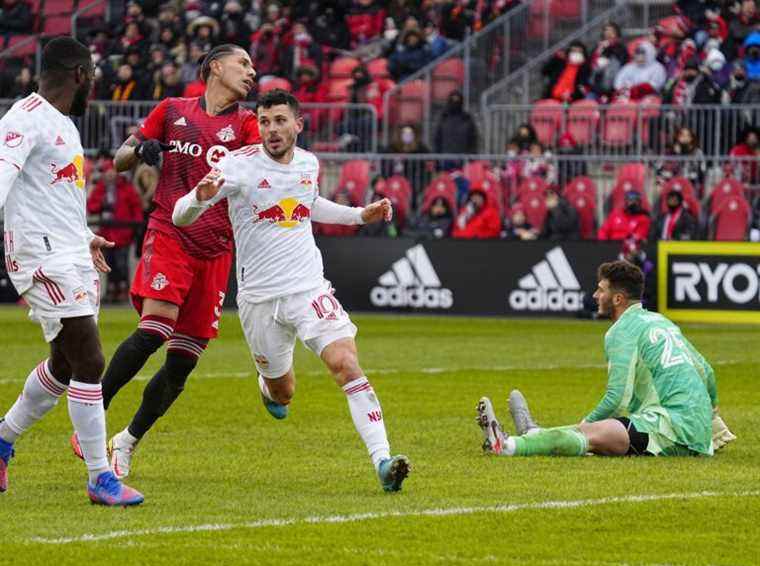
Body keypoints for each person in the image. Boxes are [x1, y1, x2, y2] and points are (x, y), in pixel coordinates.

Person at [172, 89, 411, 492]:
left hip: (307, 288)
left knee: (345, 363)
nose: (272, 130)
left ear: (298, 124)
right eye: (265, 122)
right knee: (284, 393)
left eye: (280, 121)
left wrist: (358, 215)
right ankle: (268, 387)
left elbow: (309, 203)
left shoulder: (308, 163)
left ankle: (383, 461)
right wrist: (199, 198)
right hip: (259, 299)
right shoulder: (237, 166)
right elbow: (180, 215)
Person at [70, 44, 260, 479]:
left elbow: (258, 176)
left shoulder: (248, 125)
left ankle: (127, 441)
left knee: (181, 365)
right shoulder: (173, 109)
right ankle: (92, 417)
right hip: (170, 232)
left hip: (216, 249)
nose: (251, 72)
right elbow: (119, 160)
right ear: (216, 66)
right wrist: (143, 150)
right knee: (154, 329)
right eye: (243, 63)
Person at [0, 36, 143, 506]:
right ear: (81, 74)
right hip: (42, 257)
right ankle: (101, 478)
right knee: (91, 359)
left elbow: (54, 196)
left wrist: (86, 237)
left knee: (64, 365)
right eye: (94, 77)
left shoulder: (63, 125)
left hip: (69, 251)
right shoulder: (24, 118)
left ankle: (2, 439)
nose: (96, 85)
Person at [476, 260, 737, 458]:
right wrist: (711, 417)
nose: (594, 295)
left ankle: (508, 445)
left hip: (672, 428)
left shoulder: (622, 330)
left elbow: (617, 398)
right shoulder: (661, 321)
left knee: (594, 433)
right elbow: (707, 371)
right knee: (600, 432)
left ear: (618, 298)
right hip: (687, 425)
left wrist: (585, 423)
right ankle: (533, 434)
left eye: (601, 290)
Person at [86, 166, 145, 303]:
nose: (110, 175)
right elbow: (91, 207)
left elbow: (136, 208)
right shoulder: (101, 189)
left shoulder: (126, 188)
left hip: (123, 233)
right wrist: (102, 202)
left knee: (122, 264)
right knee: (109, 263)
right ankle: (111, 292)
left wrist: (135, 227)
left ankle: (123, 292)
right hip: (107, 233)